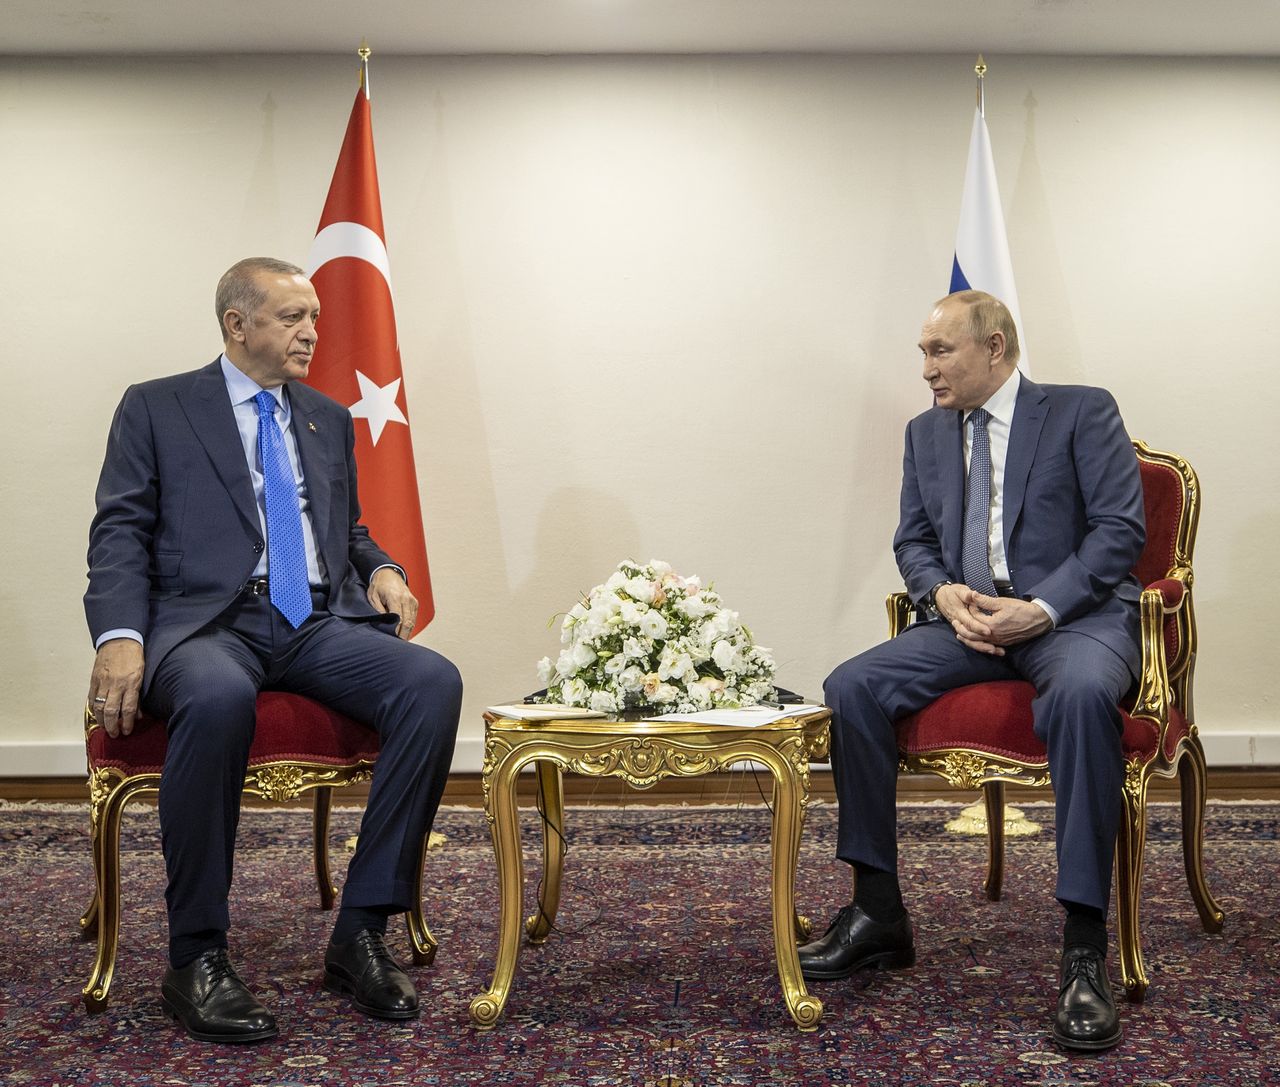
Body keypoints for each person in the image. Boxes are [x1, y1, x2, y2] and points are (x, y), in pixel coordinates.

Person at [84, 257, 463, 1044]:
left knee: (431, 683)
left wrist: (382, 567)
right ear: (237, 324)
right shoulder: (157, 407)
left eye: (315, 317)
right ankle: (195, 955)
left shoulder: (325, 415)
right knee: (218, 696)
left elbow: (347, 529)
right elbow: (119, 529)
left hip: (314, 623)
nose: (312, 332)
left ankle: (360, 931)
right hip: (208, 627)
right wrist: (120, 636)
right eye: (293, 317)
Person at [801, 290, 1144, 1052]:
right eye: (924, 352)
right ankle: (877, 910)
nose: (926, 368)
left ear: (995, 347)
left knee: (1086, 695)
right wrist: (940, 591)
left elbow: (1121, 533)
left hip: (1074, 620)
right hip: (970, 626)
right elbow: (914, 538)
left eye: (939, 351)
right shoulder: (925, 433)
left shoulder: (1082, 411)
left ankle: (1085, 946)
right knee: (851, 685)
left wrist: (1043, 608)